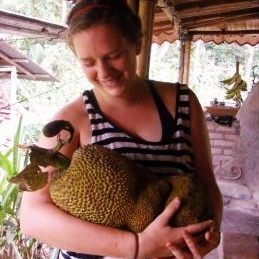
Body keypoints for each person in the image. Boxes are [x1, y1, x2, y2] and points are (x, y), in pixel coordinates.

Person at [20, 0, 223, 258]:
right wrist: (135, 246)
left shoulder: (183, 102)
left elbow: (207, 183)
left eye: (113, 55)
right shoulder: (70, 121)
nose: (104, 71)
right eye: (89, 62)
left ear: (137, 43)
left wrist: (212, 231)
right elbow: (32, 215)